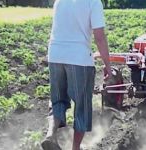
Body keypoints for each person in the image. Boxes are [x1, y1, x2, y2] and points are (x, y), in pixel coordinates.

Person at [41, 0, 112, 149]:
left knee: (58, 100)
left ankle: (50, 134)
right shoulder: (93, 2)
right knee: (82, 106)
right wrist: (108, 66)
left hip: (55, 54)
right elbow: (99, 36)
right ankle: (75, 148)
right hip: (79, 59)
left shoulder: (59, 1)